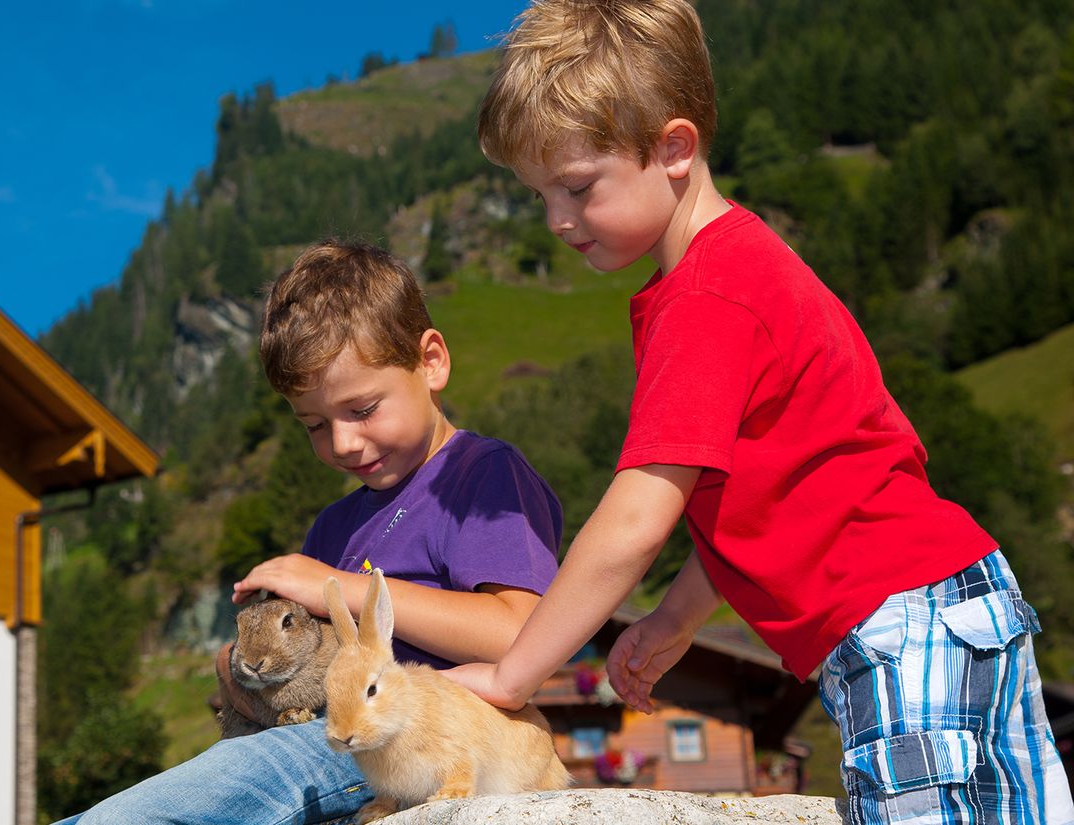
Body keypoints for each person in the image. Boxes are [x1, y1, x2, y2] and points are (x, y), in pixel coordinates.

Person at [445, 2, 1074, 823]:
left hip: (894, 630)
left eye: (576, 187)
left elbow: (638, 516)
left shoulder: (705, 299)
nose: (557, 221)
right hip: (950, 604)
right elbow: (775, 495)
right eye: (539, 196)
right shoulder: (744, 268)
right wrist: (676, 618)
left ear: (674, 149)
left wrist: (511, 674)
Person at [55, 241, 563, 825]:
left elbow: (520, 636)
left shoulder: (482, 474)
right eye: (315, 425)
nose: (343, 443)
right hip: (335, 735)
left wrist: (336, 584)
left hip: (412, 739)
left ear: (431, 362)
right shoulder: (335, 525)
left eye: (364, 409)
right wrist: (238, 669)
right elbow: (302, 659)